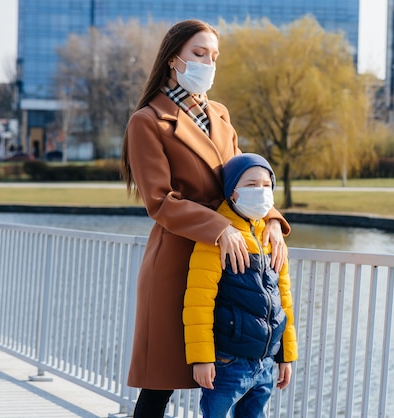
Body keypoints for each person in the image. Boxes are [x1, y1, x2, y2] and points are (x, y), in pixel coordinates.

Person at [120, 20, 290, 417]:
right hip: (177, 262)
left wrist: (271, 221)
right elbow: (160, 201)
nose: (208, 64)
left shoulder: (219, 114)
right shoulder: (146, 121)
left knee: (231, 379)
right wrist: (219, 227)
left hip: (230, 268)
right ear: (172, 59)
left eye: (213, 56)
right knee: (159, 385)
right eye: (199, 54)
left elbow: (244, 176)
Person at [183, 153, 298, 417]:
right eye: (250, 185)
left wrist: (286, 355)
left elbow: (284, 300)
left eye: (266, 185)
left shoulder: (273, 239)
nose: (260, 191)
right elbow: (198, 303)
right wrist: (202, 358)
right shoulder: (216, 237)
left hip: (266, 361)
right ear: (232, 192)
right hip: (228, 362)